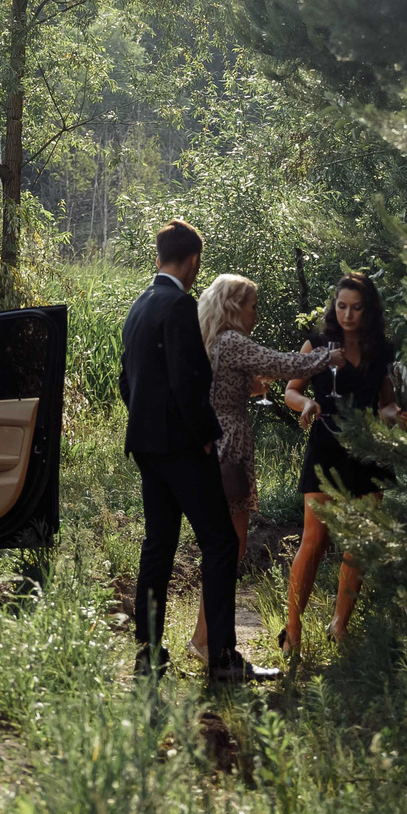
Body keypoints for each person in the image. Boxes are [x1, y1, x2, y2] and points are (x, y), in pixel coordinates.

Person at [119, 221, 277, 683]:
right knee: (222, 542)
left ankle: (148, 653)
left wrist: (148, 425)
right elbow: (189, 383)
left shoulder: (139, 306)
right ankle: (223, 658)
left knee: (159, 545)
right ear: (192, 262)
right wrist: (206, 435)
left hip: (147, 447)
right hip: (185, 449)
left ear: (158, 257)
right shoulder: (179, 305)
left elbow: (128, 381)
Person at [190, 273, 337, 662]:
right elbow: (282, 363)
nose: (257, 313)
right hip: (230, 452)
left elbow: (218, 386)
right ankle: (207, 643)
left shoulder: (208, 339)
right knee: (230, 549)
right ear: (236, 307)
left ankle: (202, 638)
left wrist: (249, 387)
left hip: (211, 448)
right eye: (253, 305)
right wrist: (328, 357)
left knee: (221, 549)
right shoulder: (233, 340)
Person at [281, 273, 405, 654]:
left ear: (369, 310)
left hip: (368, 451)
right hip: (327, 446)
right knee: (314, 540)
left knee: (359, 543)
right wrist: (307, 405)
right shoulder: (318, 344)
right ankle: (292, 630)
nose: (347, 314)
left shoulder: (383, 350)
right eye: (341, 306)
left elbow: (384, 402)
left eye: (356, 307)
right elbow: (291, 389)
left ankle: (340, 625)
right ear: (333, 306)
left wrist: (395, 414)